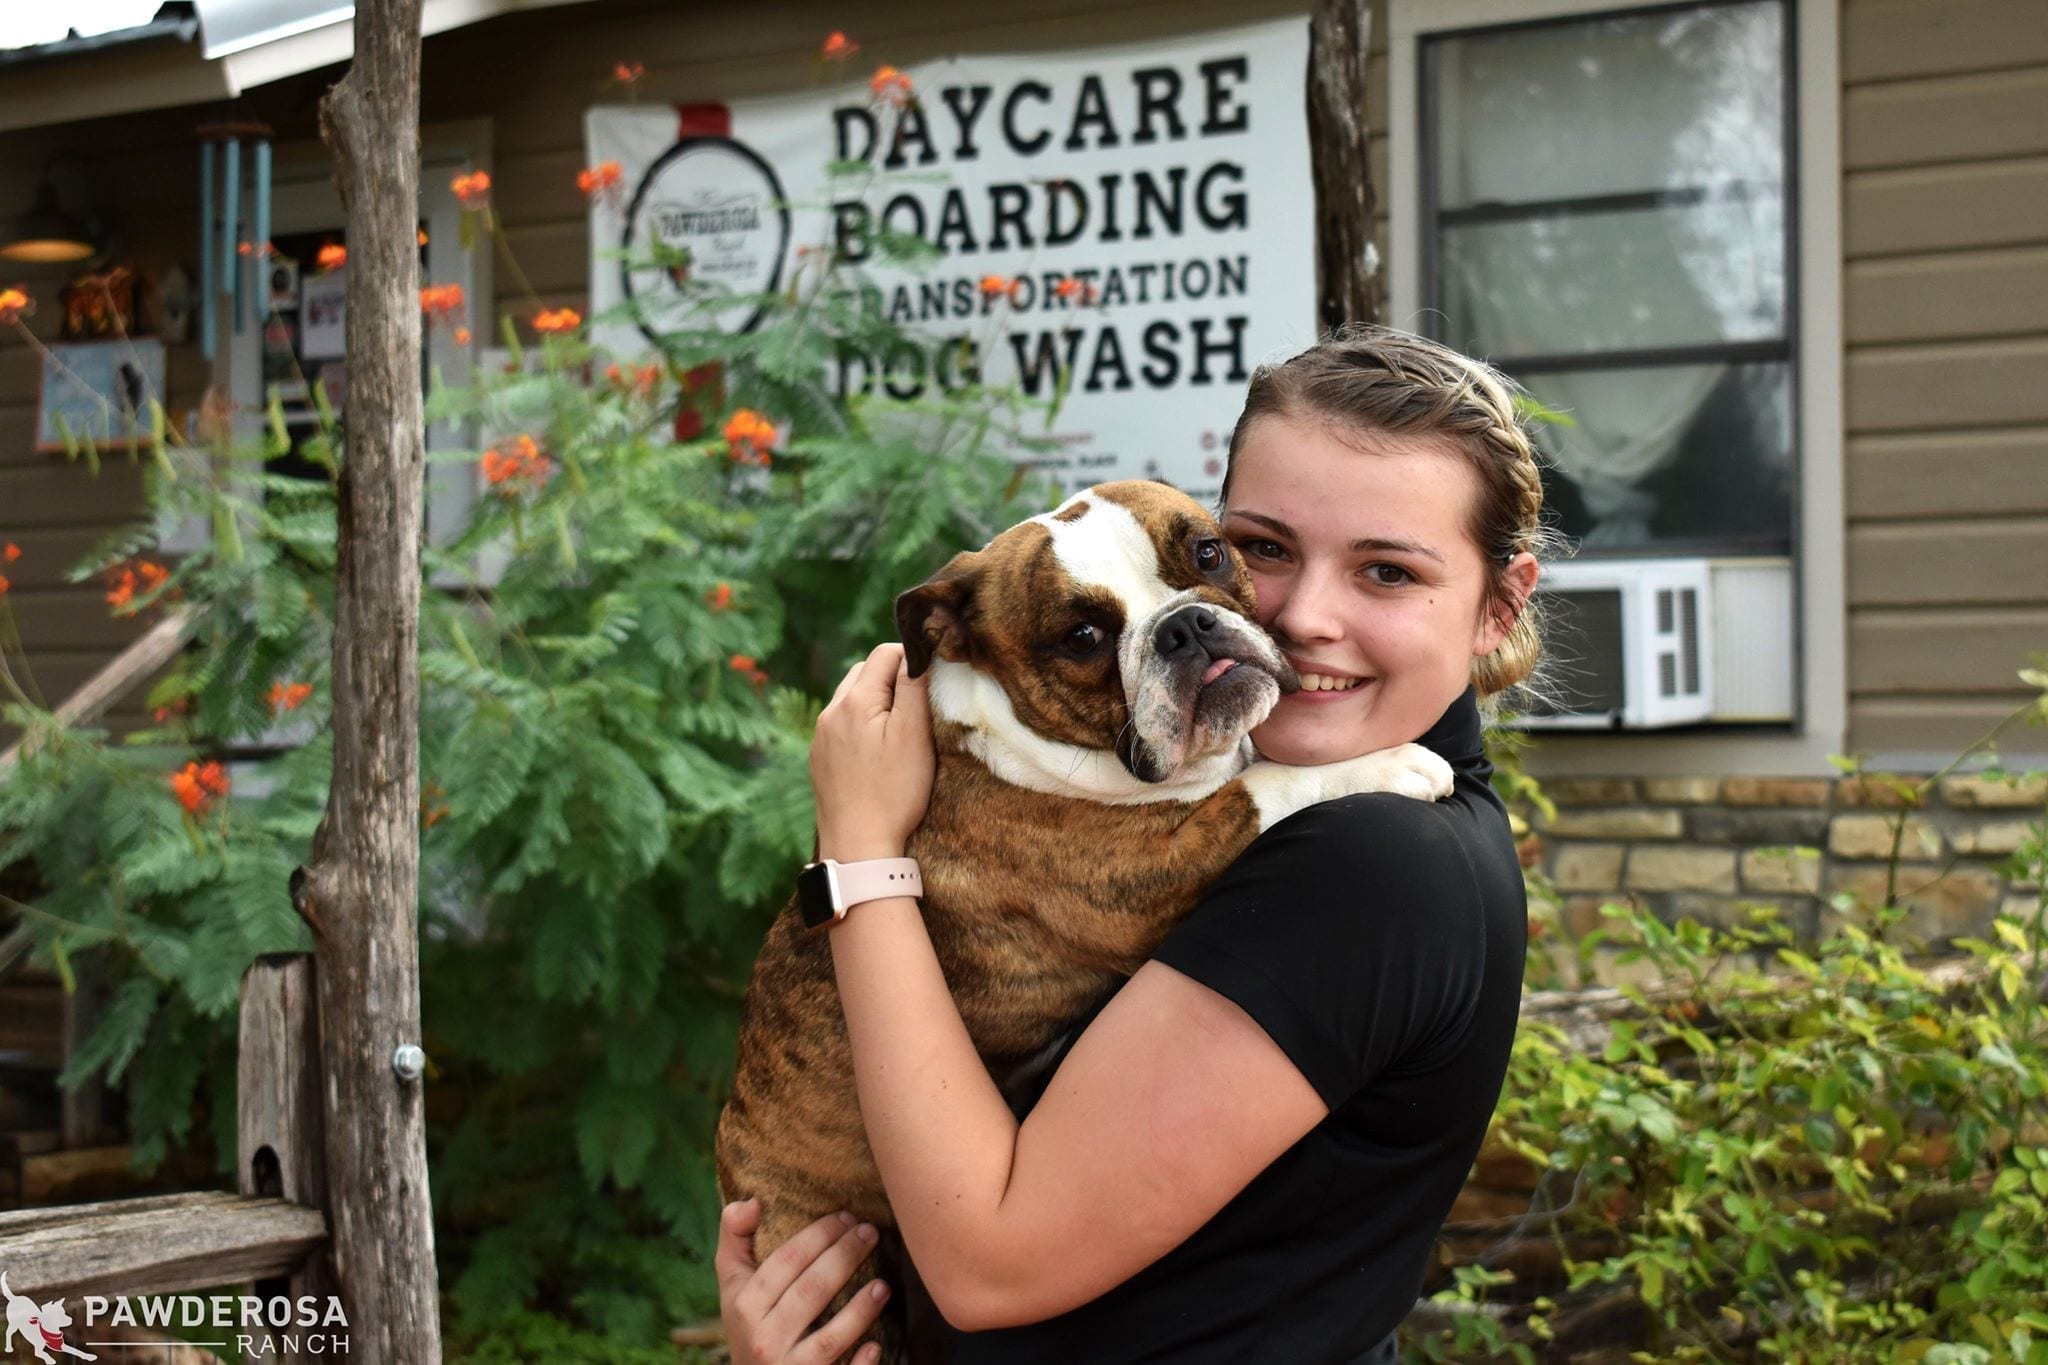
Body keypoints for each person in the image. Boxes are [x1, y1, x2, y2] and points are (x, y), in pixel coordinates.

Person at [717, 327, 1548, 1363]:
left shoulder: (1371, 860)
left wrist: (855, 848)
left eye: (1386, 571)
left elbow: (989, 1264)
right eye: (1259, 550)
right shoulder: (1359, 812)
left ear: (1498, 605)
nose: (1303, 616)